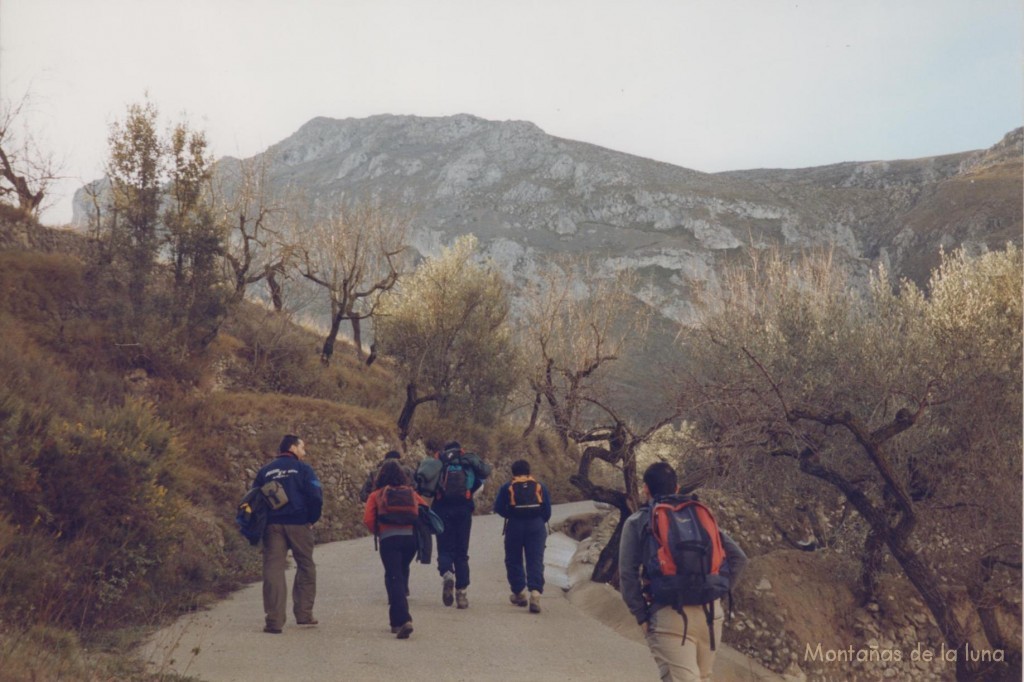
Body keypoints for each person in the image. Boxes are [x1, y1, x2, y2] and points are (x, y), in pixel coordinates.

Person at [619, 461, 747, 682]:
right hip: (711, 614)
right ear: (677, 488)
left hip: (669, 615)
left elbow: (627, 574)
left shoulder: (638, 521)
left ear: (645, 489)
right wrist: (717, 595)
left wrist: (641, 615)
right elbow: (739, 558)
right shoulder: (698, 516)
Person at [254, 434, 323, 634]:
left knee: (273, 569)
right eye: (302, 447)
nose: (304, 452)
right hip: (300, 524)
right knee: (306, 566)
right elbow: (316, 497)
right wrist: (312, 519)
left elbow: (255, 499)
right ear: (293, 448)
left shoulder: (265, 471)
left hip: (273, 525)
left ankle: (274, 621)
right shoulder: (304, 469)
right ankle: (303, 614)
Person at [363, 459, 427, 639]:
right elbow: (424, 508)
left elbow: (368, 519)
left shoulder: (376, 494)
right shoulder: (411, 493)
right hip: (410, 539)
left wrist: (378, 530)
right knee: (398, 573)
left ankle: (404, 619)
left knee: (394, 576)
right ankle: (395, 622)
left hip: (389, 539)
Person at [429, 440, 492, 609]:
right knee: (461, 551)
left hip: (442, 509)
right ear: (459, 449)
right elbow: (480, 480)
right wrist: (468, 494)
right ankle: (462, 593)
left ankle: (447, 573)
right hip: (463, 511)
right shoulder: (467, 461)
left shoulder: (439, 462)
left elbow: (429, 486)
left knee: (444, 547)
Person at [493, 459, 552, 613]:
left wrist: (511, 514)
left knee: (513, 559)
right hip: (536, 526)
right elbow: (547, 511)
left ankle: (519, 593)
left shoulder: (507, 487)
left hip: (515, 526)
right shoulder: (540, 486)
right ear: (529, 471)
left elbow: (498, 508)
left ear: (513, 472)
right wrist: (538, 521)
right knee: (535, 559)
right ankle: (535, 593)